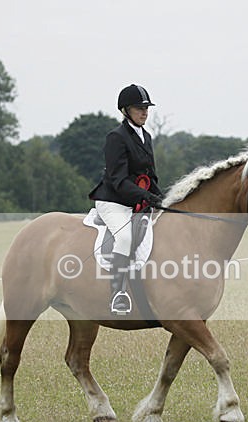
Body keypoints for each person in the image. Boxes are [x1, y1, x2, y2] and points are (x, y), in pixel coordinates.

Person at [89, 84, 165, 315]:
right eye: (138, 108)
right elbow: (118, 179)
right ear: (125, 110)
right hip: (113, 201)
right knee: (124, 237)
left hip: (135, 200)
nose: (144, 112)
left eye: (146, 108)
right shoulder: (116, 137)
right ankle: (118, 294)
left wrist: (161, 198)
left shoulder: (146, 137)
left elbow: (149, 176)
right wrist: (146, 196)